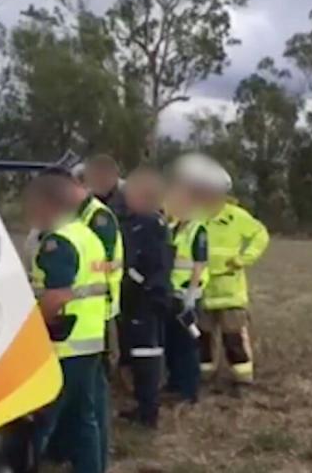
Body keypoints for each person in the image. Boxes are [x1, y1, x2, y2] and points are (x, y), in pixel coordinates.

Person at [25, 174, 110, 473]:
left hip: (63, 345)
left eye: (33, 205)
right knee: (83, 417)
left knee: (41, 420)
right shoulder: (87, 236)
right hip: (88, 341)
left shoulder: (58, 242)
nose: (31, 213)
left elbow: (57, 295)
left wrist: (30, 328)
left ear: (48, 205)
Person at [43, 167, 123, 469]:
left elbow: (70, 284)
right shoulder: (82, 225)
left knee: (60, 409)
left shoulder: (94, 220)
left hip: (77, 326)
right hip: (86, 325)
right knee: (85, 409)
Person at [195, 158, 269, 390]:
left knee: (233, 337)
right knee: (202, 339)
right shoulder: (194, 215)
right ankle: (204, 376)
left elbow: (260, 235)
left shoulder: (237, 216)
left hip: (230, 292)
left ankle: (242, 380)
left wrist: (242, 260)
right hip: (202, 291)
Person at [116, 167, 173, 427]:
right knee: (141, 353)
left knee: (145, 354)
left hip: (146, 298)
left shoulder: (149, 224)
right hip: (140, 297)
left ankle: (148, 412)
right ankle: (144, 405)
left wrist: (134, 281)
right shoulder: (140, 221)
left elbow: (149, 263)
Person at [162, 158, 211, 404]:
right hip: (172, 293)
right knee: (172, 342)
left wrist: (191, 294)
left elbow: (200, 264)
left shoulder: (198, 230)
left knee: (188, 345)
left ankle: (190, 389)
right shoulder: (174, 227)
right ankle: (175, 383)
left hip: (187, 295)